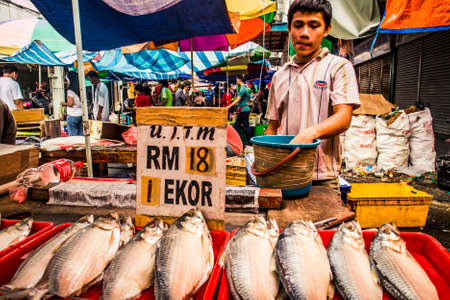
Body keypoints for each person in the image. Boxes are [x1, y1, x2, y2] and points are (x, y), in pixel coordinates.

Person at [265, 0, 360, 186]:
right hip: (284, 173)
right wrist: (268, 160)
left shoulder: (339, 67)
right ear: (289, 28)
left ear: (327, 29)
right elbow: (272, 126)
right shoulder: (279, 76)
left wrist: (311, 133)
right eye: (298, 25)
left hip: (322, 176)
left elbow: (344, 117)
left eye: (313, 26)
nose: (304, 33)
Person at [227, 74, 253, 145]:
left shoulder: (242, 88)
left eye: (237, 79)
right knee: (237, 126)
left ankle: (249, 143)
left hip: (243, 110)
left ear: (239, 79)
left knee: (245, 127)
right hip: (244, 110)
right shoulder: (246, 88)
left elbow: (238, 99)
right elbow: (250, 98)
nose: (236, 80)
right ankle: (238, 143)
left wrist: (229, 106)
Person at [61, 71, 83, 136]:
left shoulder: (70, 90)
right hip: (81, 114)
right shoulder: (81, 89)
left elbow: (71, 103)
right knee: (81, 136)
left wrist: (63, 103)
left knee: (73, 137)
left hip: (73, 115)